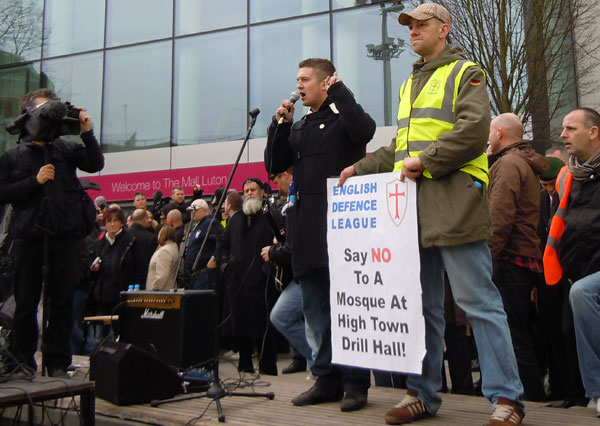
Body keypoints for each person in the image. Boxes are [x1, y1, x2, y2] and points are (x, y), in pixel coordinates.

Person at [338, 4, 524, 424]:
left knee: (477, 303)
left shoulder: (465, 71)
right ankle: (421, 393)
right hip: (414, 214)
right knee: (420, 308)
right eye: (410, 26)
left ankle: (507, 399)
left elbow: (475, 131)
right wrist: (359, 167)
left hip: (455, 203)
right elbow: (399, 150)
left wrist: (427, 159)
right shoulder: (410, 84)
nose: (412, 32)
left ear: (444, 29)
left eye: (421, 25)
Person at [265, 58, 375, 411]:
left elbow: (365, 131)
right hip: (307, 231)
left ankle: (356, 383)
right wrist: (278, 126)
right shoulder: (300, 126)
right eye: (297, 79)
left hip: (342, 228)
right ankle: (325, 379)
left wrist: (341, 93)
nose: (299, 86)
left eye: (305, 79)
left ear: (325, 82)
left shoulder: (343, 117)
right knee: (316, 311)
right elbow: (273, 165)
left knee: (347, 309)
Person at [0, 88, 104, 377]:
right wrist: (35, 181)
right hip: (30, 237)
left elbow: (95, 164)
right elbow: (3, 192)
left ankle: (57, 361)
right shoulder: (13, 156)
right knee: (26, 303)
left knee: (62, 302)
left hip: (64, 235)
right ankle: (22, 361)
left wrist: (87, 132)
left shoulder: (65, 151)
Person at [487, 113, 549, 401]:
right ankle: (530, 392)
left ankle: (526, 396)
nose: (487, 139)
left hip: (510, 258)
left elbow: (499, 216)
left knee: (513, 333)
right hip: (524, 256)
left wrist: (488, 258)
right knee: (519, 330)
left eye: (489, 133)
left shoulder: (509, 164)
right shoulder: (522, 162)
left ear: (499, 133)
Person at [544, 107, 600, 418]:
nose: (563, 135)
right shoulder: (568, 175)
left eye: (571, 128)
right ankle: (580, 395)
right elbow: (562, 222)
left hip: (588, 277)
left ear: (593, 132)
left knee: (583, 294)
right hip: (574, 271)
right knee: (564, 332)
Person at [218, 178, 282, 376]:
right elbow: (224, 245)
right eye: (246, 190)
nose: (249, 193)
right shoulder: (235, 219)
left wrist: (269, 265)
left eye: (253, 189)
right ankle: (245, 365)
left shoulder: (273, 216)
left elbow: (282, 242)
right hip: (238, 282)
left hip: (263, 282)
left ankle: (267, 368)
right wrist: (226, 266)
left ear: (262, 192)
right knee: (242, 325)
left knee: (264, 327)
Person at [89, 207, 145, 338]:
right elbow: (92, 269)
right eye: (108, 221)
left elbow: (140, 268)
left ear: (121, 223)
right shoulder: (100, 243)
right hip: (102, 297)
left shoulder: (131, 241)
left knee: (120, 335)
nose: (112, 224)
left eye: (115, 220)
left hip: (122, 296)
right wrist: (93, 269)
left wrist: (135, 292)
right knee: (100, 336)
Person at [185, 199, 218, 290]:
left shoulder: (209, 222)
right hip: (196, 274)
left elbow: (221, 240)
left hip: (205, 273)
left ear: (204, 211)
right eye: (190, 211)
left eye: (194, 210)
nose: (192, 213)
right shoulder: (198, 225)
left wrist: (214, 258)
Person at [146, 224, 179, 290]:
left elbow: (162, 275)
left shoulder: (164, 251)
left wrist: (154, 289)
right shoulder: (174, 249)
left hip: (161, 293)